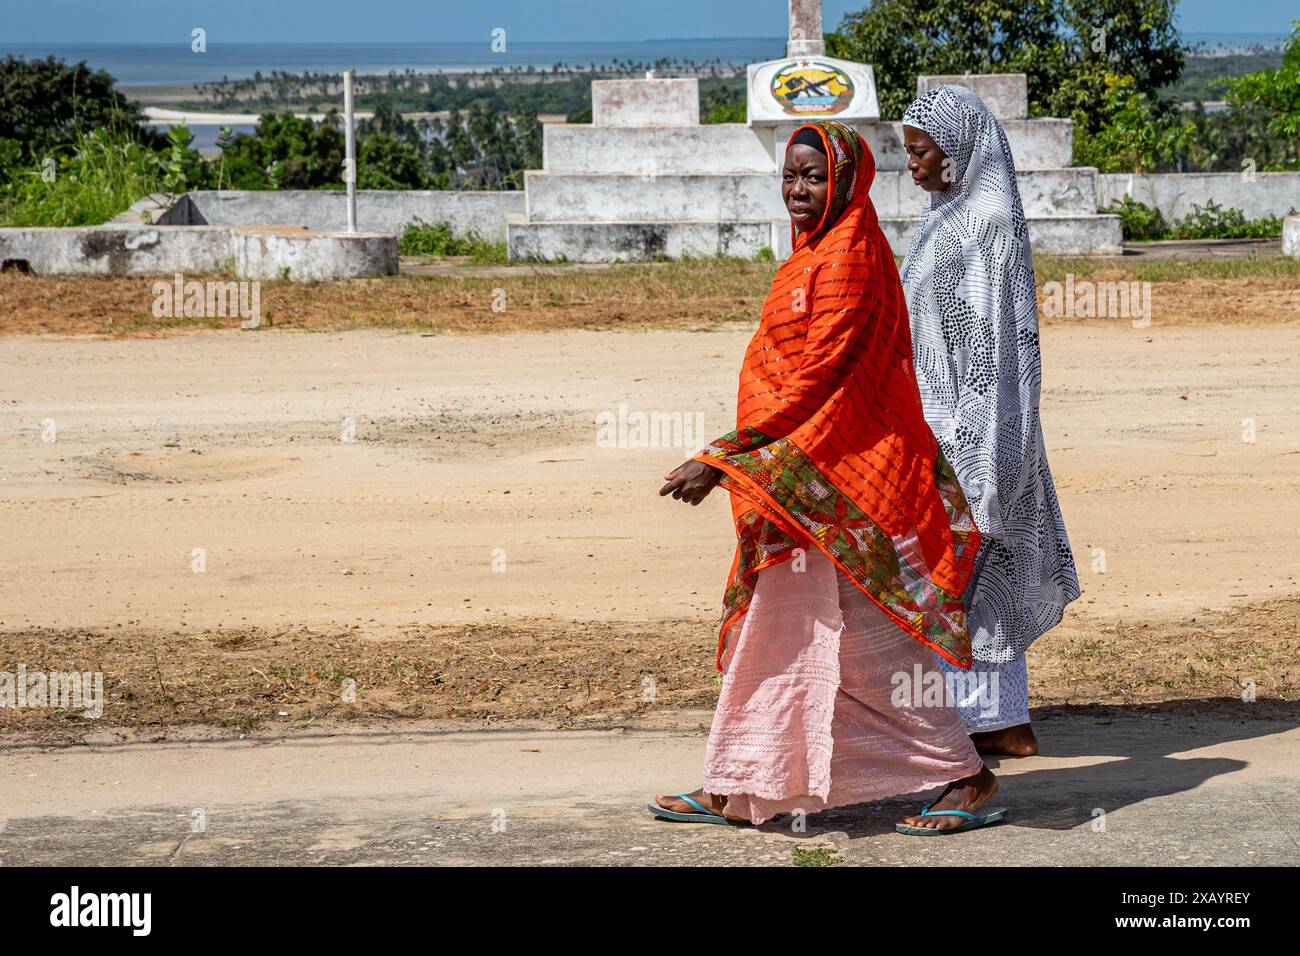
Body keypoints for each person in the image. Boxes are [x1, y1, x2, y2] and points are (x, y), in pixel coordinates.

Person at [648, 120, 1005, 833]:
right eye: (790, 176)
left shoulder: (849, 258)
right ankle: (743, 779)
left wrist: (723, 458)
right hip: (804, 481)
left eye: (813, 176)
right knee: (797, 633)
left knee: (878, 641)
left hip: (850, 479)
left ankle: (963, 775)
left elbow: (820, 380)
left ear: (846, 180)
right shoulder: (811, 252)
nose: (798, 190)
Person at [899, 86, 1081, 757]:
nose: (911, 165)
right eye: (907, 151)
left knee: (977, 577)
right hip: (940, 431)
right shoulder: (942, 218)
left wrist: (980, 451)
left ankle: (977, 731)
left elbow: (998, 351)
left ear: (960, 149)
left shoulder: (988, 228)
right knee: (979, 584)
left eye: (921, 151)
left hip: (978, 434)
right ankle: (998, 723)